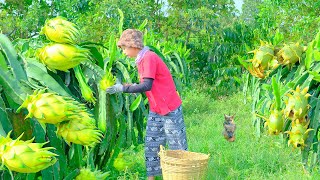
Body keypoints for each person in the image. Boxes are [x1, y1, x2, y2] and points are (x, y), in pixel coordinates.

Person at [106, 29, 188, 180]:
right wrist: (127, 86)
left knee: (177, 146)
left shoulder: (149, 57)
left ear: (133, 45)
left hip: (169, 107)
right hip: (156, 108)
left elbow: (147, 85)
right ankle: (151, 178)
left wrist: (123, 89)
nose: (124, 52)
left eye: (124, 48)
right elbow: (145, 83)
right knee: (152, 144)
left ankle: (181, 176)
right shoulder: (141, 58)